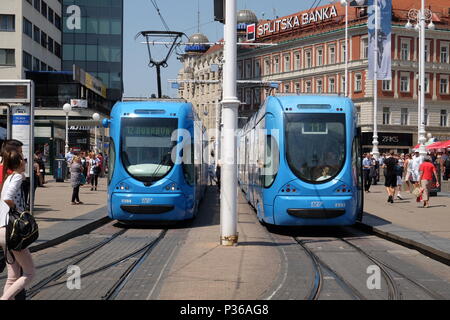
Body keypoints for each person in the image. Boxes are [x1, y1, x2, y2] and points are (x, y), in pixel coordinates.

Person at [0, 151, 36, 300]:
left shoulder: (8, 178)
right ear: (20, 162)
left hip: (3, 229)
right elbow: (8, 197)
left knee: (13, 276)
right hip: (12, 232)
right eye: (24, 159)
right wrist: (16, 209)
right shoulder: (17, 177)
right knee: (30, 273)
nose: (26, 162)